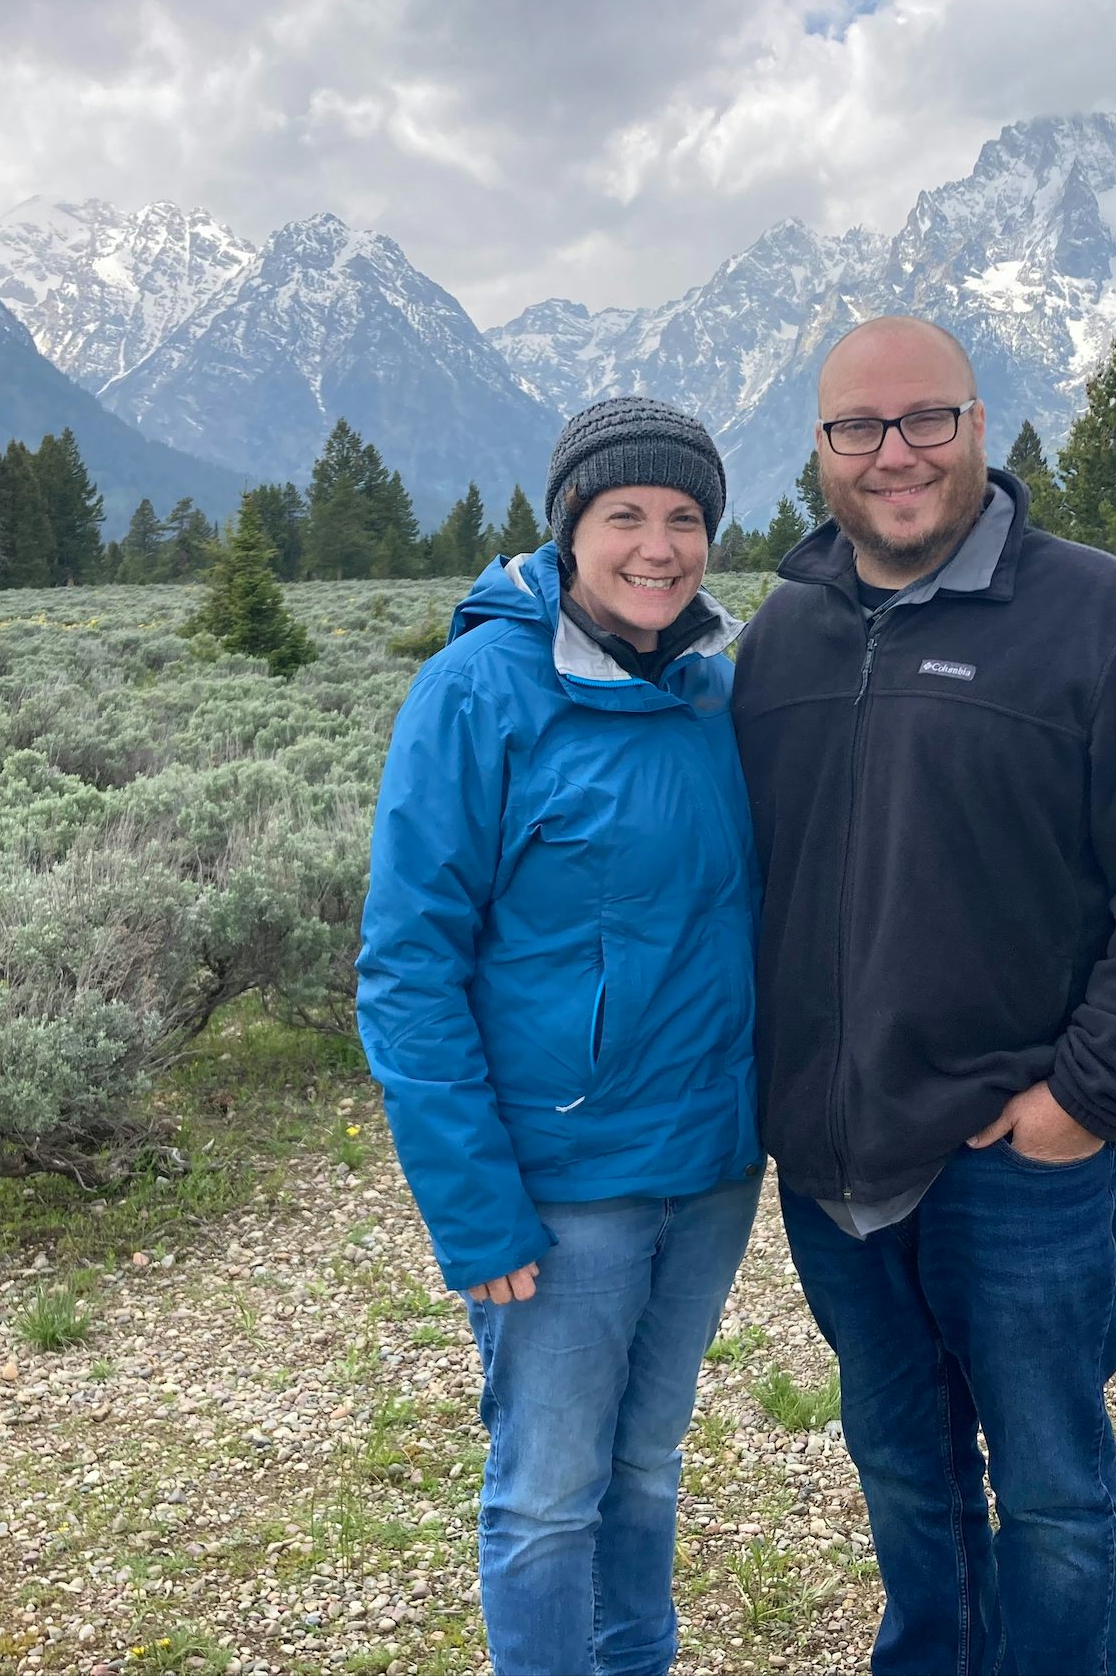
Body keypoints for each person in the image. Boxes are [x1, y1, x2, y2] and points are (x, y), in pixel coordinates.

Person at [732, 317, 1116, 1676]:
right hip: (835, 1162)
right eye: (859, 428)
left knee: (1057, 1495)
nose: (893, 455)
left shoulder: (1104, 622)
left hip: (1019, 1163)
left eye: (926, 421)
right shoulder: (782, 640)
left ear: (980, 429)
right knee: (905, 1472)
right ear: (822, 453)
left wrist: (1087, 1097)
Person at [356, 396, 763, 1676]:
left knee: (645, 1465)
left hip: (705, 1169)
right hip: (558, 1186)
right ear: (568, 526)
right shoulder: (476, 692)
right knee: (546, 1490)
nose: (658, 546)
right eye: (624, 515)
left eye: (685, 517)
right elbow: (408, 967)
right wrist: (472, 1208)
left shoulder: (715, 689)